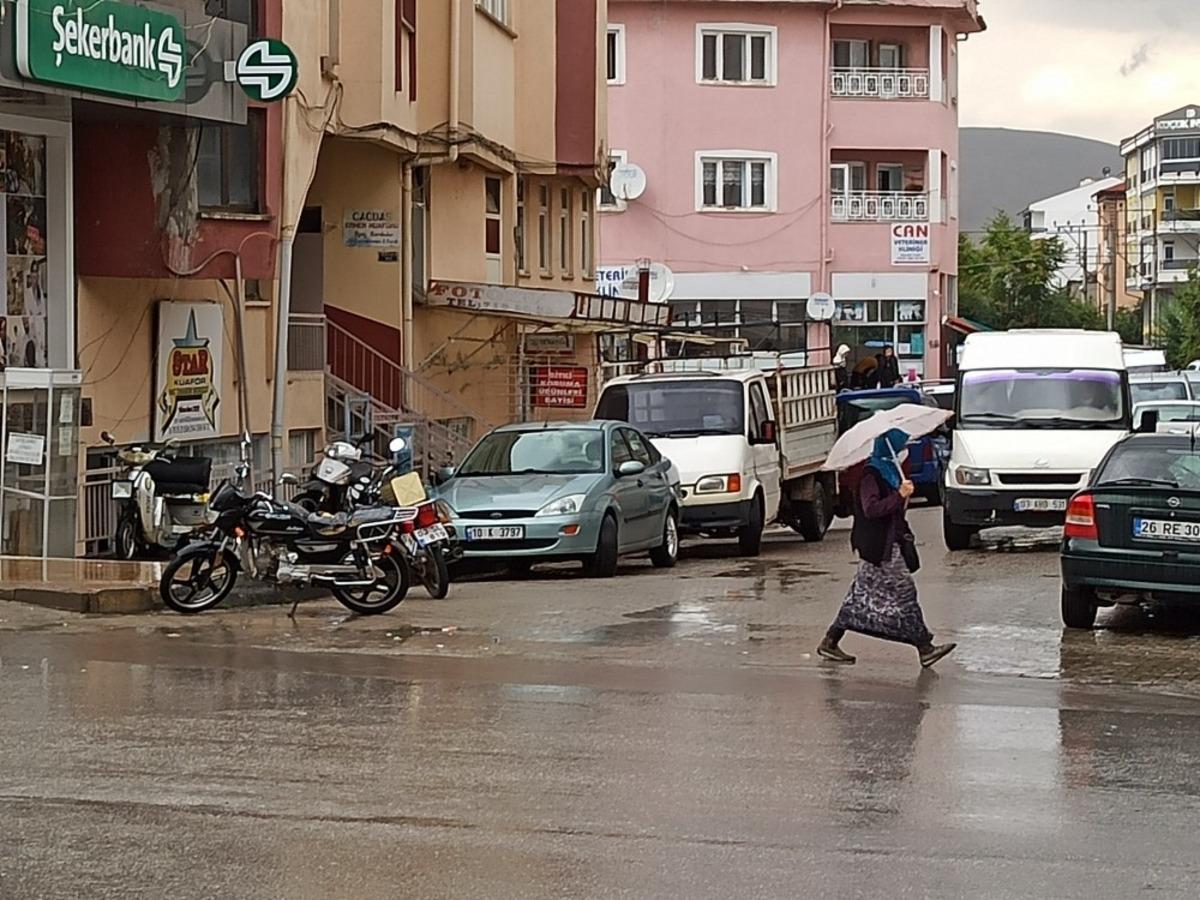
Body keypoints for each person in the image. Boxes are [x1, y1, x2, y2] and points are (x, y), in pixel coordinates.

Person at [818, 428, 956, 668]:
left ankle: (830, 641)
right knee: (904, 592)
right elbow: (871, 509)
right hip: (879, 547)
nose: (903, 450)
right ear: (888, 445)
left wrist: (902, 496)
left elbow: (893, 511)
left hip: (887, 545)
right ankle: (924, 647)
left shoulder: (890, 472)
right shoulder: (871, 475)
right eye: (899, 443)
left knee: (858, 595)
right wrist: (897, 497)